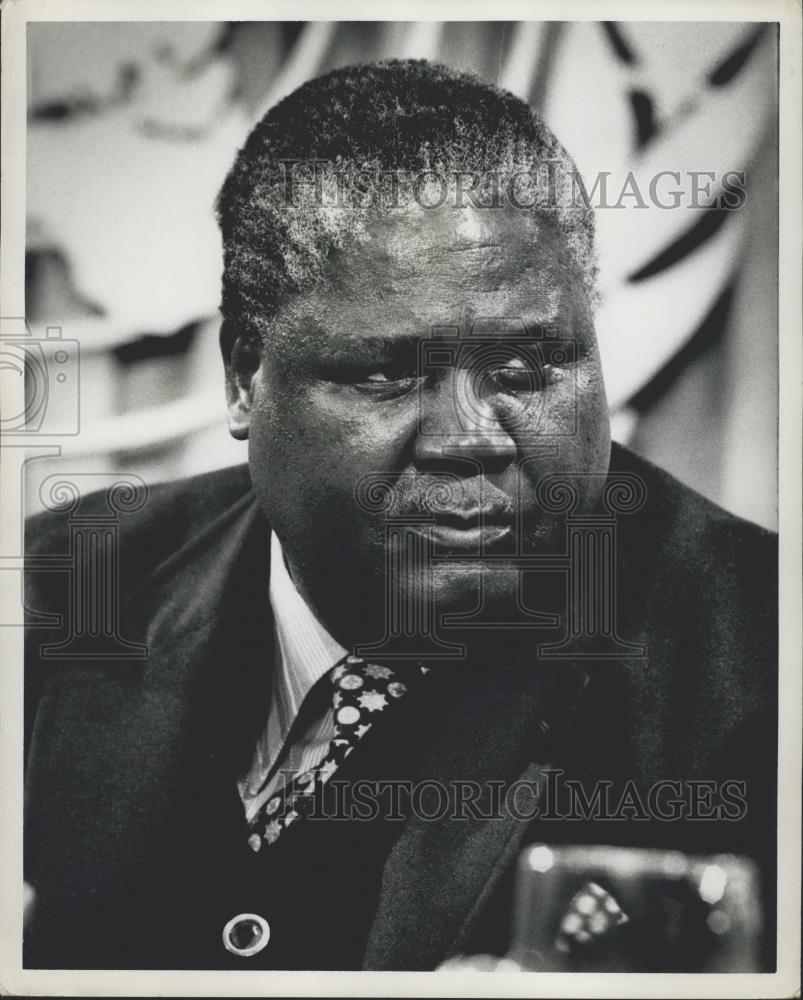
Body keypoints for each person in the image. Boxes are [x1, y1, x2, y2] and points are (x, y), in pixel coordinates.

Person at [23, 59, 777, 972]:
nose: (470, 438)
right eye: (386, 373)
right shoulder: (62, 593)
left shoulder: (760, 670)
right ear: (242, 377)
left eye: (527, 368)